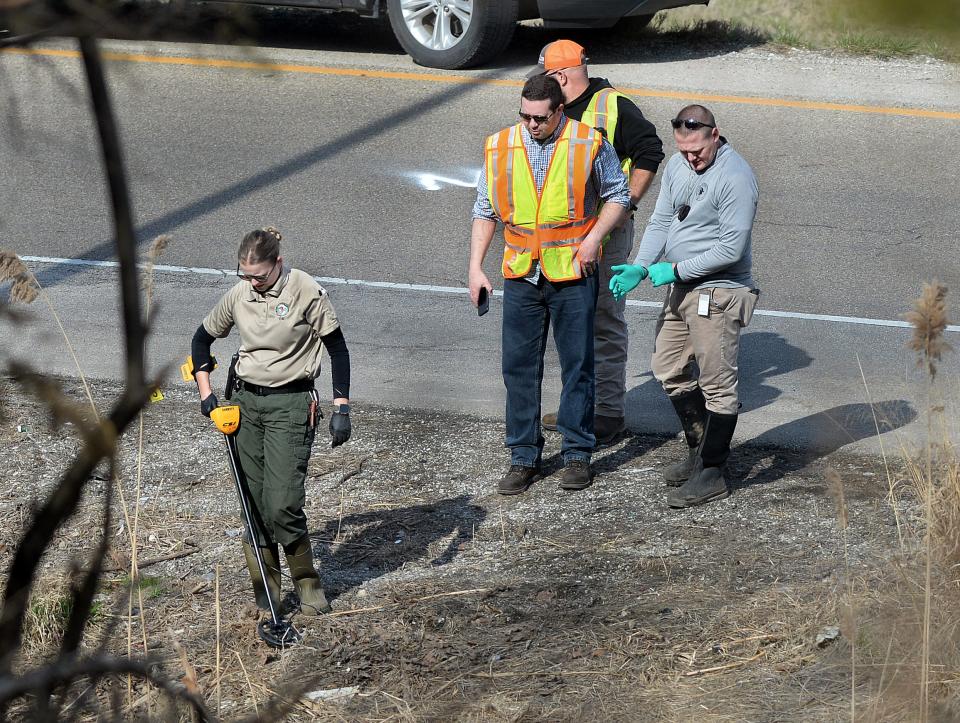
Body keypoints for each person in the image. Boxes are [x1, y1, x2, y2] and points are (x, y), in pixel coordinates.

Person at [469, 74, 630, 495]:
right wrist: (475, 267)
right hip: (522, 271)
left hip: (573, 270)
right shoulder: (501, 145)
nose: (531, 125)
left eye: (539, 118)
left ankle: (578, 454)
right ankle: (523, 457)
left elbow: (618, 194)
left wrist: (594, 240)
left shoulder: (587, 142)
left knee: (578, 365)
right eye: (524, 116)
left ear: (559, 110)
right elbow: (485, 208)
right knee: (518, 369)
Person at [191, 227, 352, 615]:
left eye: (259, 276)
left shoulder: (305, 291)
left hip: (291, 405)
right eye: (244, 275)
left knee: (282, 504)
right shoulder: (240, 294)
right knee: (254, 506)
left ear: (278, 264)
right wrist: (206, 393)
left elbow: (338, 350)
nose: (252, 283)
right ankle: (268, 597)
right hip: (245, 406)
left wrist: (341, 408)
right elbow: (201, 339)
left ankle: (308, 584)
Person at [609, 105, 759, 508]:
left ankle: (712, 472)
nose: (691, 158)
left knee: (717, 383)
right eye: (683, 149)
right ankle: (697, 450)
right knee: (668, 365)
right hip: (681, 286)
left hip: (718, 291)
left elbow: (732, 248)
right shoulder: (679, 166)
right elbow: (661, 219)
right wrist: (641, 267)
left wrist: (674, 269)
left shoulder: (735, 177)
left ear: (715, 134)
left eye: (697, 150)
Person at [527, 40, 664, 446]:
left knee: (603, 318)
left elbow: (649, 152)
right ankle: (577, 407)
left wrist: (625, 206)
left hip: (604, 232)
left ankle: (607, 412)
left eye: (545, 76)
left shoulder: (613, 105)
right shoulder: (553, 109)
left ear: (562, 75)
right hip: (561, 235)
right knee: (571, 321)